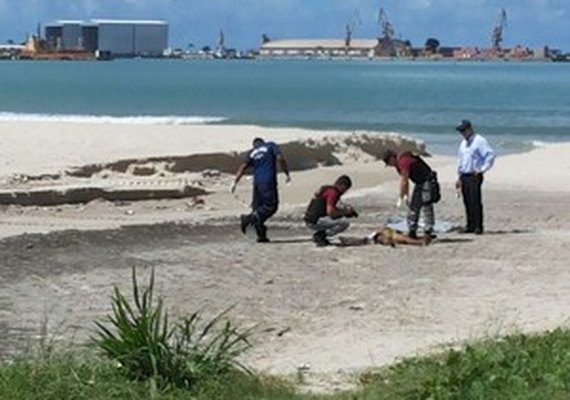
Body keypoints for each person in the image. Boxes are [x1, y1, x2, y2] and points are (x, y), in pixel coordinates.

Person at [230, 137, 290, 243]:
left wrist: (234, 182)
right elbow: (280, 158)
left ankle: (261, 236)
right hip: (268, 180)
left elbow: (243, 167)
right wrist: (286, 173)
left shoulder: (252, 153)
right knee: (271, 206)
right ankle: (248, 219)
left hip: (257, 183)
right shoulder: (271, 145)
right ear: (263, 142)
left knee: (258, 208)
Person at [382, 150, 440, 239]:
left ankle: (428, 231)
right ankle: (412, 230)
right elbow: (406, 181)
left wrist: (401, 197)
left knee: (426, 206)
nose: (390, 166)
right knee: (414, 207)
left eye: (389, 163)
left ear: (392, 158)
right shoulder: (398, 165)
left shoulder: (403, 161)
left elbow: (404, 181)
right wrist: (406, 196)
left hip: (427, 181)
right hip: (419, 183)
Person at [455, 119, 496, 234]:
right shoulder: (463, 143)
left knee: (475, 200)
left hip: (474, 174)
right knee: (467, 200)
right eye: (461, 131)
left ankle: (478, 226)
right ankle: (470, 225)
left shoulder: (479, 141)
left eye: (464, 130)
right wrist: (458, 176)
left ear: (470, 129)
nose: (462, 133)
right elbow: (460, 160)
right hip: (464, 174)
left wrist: (482, 169)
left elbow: (490, 155)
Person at [304, 175, 358, 247]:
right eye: (346, 189)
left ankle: (320, 234)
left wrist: (344, 211)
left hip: (310, 219)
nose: (345, 192)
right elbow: (331, 212)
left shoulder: (327, 189)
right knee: (344, 223)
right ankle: (320, 236)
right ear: (342, 186)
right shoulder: (333, 193)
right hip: (315, 221)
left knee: (340, 218)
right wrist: (346, 213)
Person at [338, 226, 432, 247]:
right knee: (405, 239)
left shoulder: (380, 236)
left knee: (404, 239)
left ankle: (420, 242)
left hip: (381, 234)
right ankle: (421, 241)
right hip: (383, 234)